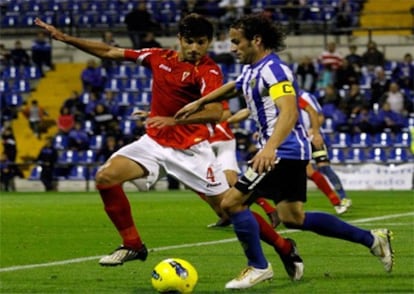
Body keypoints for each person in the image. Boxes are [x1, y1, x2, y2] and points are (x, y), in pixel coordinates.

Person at [35, 14, 304, 282]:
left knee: (229, 209)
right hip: (154, 143)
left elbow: (215, 112)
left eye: (202, 42)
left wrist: (172, 119)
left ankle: (283, 247)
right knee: (106, 177)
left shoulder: (208, 70)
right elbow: (109, 51)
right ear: (179, 40)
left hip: (191, 150)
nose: (196, 48)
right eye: (190, 42)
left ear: (209, 43)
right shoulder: (158, 57)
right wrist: (66, 38)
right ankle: (133, 244)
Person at [175, 13, 393, 289]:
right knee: (293, 218)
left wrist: (269, 147)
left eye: (236, 42)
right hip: (286, 151)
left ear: (256, 40)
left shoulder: (274, 70)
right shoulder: (253, 69)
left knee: (231, 204)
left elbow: (289, 111)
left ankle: (258, 266)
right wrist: (200, 102)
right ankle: (373, 240)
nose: (231, 48)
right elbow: (235, 86)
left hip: (283, 151)